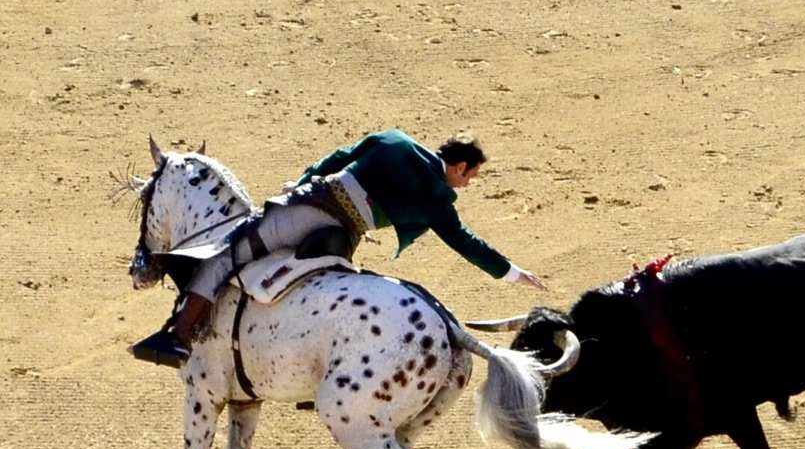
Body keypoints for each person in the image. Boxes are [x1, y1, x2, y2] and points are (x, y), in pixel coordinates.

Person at [137, 130, 545, 366]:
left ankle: (180, 334)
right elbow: (463, 241)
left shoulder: (393, 139)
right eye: (471, 176)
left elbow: (338, 157)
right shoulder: (438, 197)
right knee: (317, 291)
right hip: (340, 236)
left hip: (315, 206)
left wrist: (301, 180)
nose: (468, 183)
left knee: (231, 249)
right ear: (459, 167)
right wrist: (509, 272)